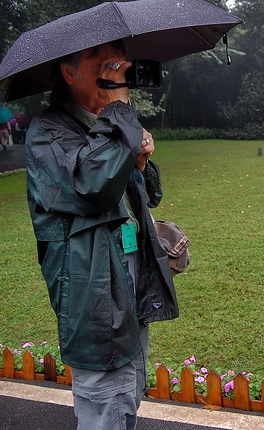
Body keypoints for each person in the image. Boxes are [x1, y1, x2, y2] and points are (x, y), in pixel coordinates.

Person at [24, 40, 179, 430]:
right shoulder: (49, 131)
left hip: (129, 272)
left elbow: (148, 196)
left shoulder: (103, 123)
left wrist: (140, 162)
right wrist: (120, 110)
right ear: (68, 71)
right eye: (103, 60)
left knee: (129, 387)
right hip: (92, 283)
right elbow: (91, 187)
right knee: (105, 398)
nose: (117, 68)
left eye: (119, 60)